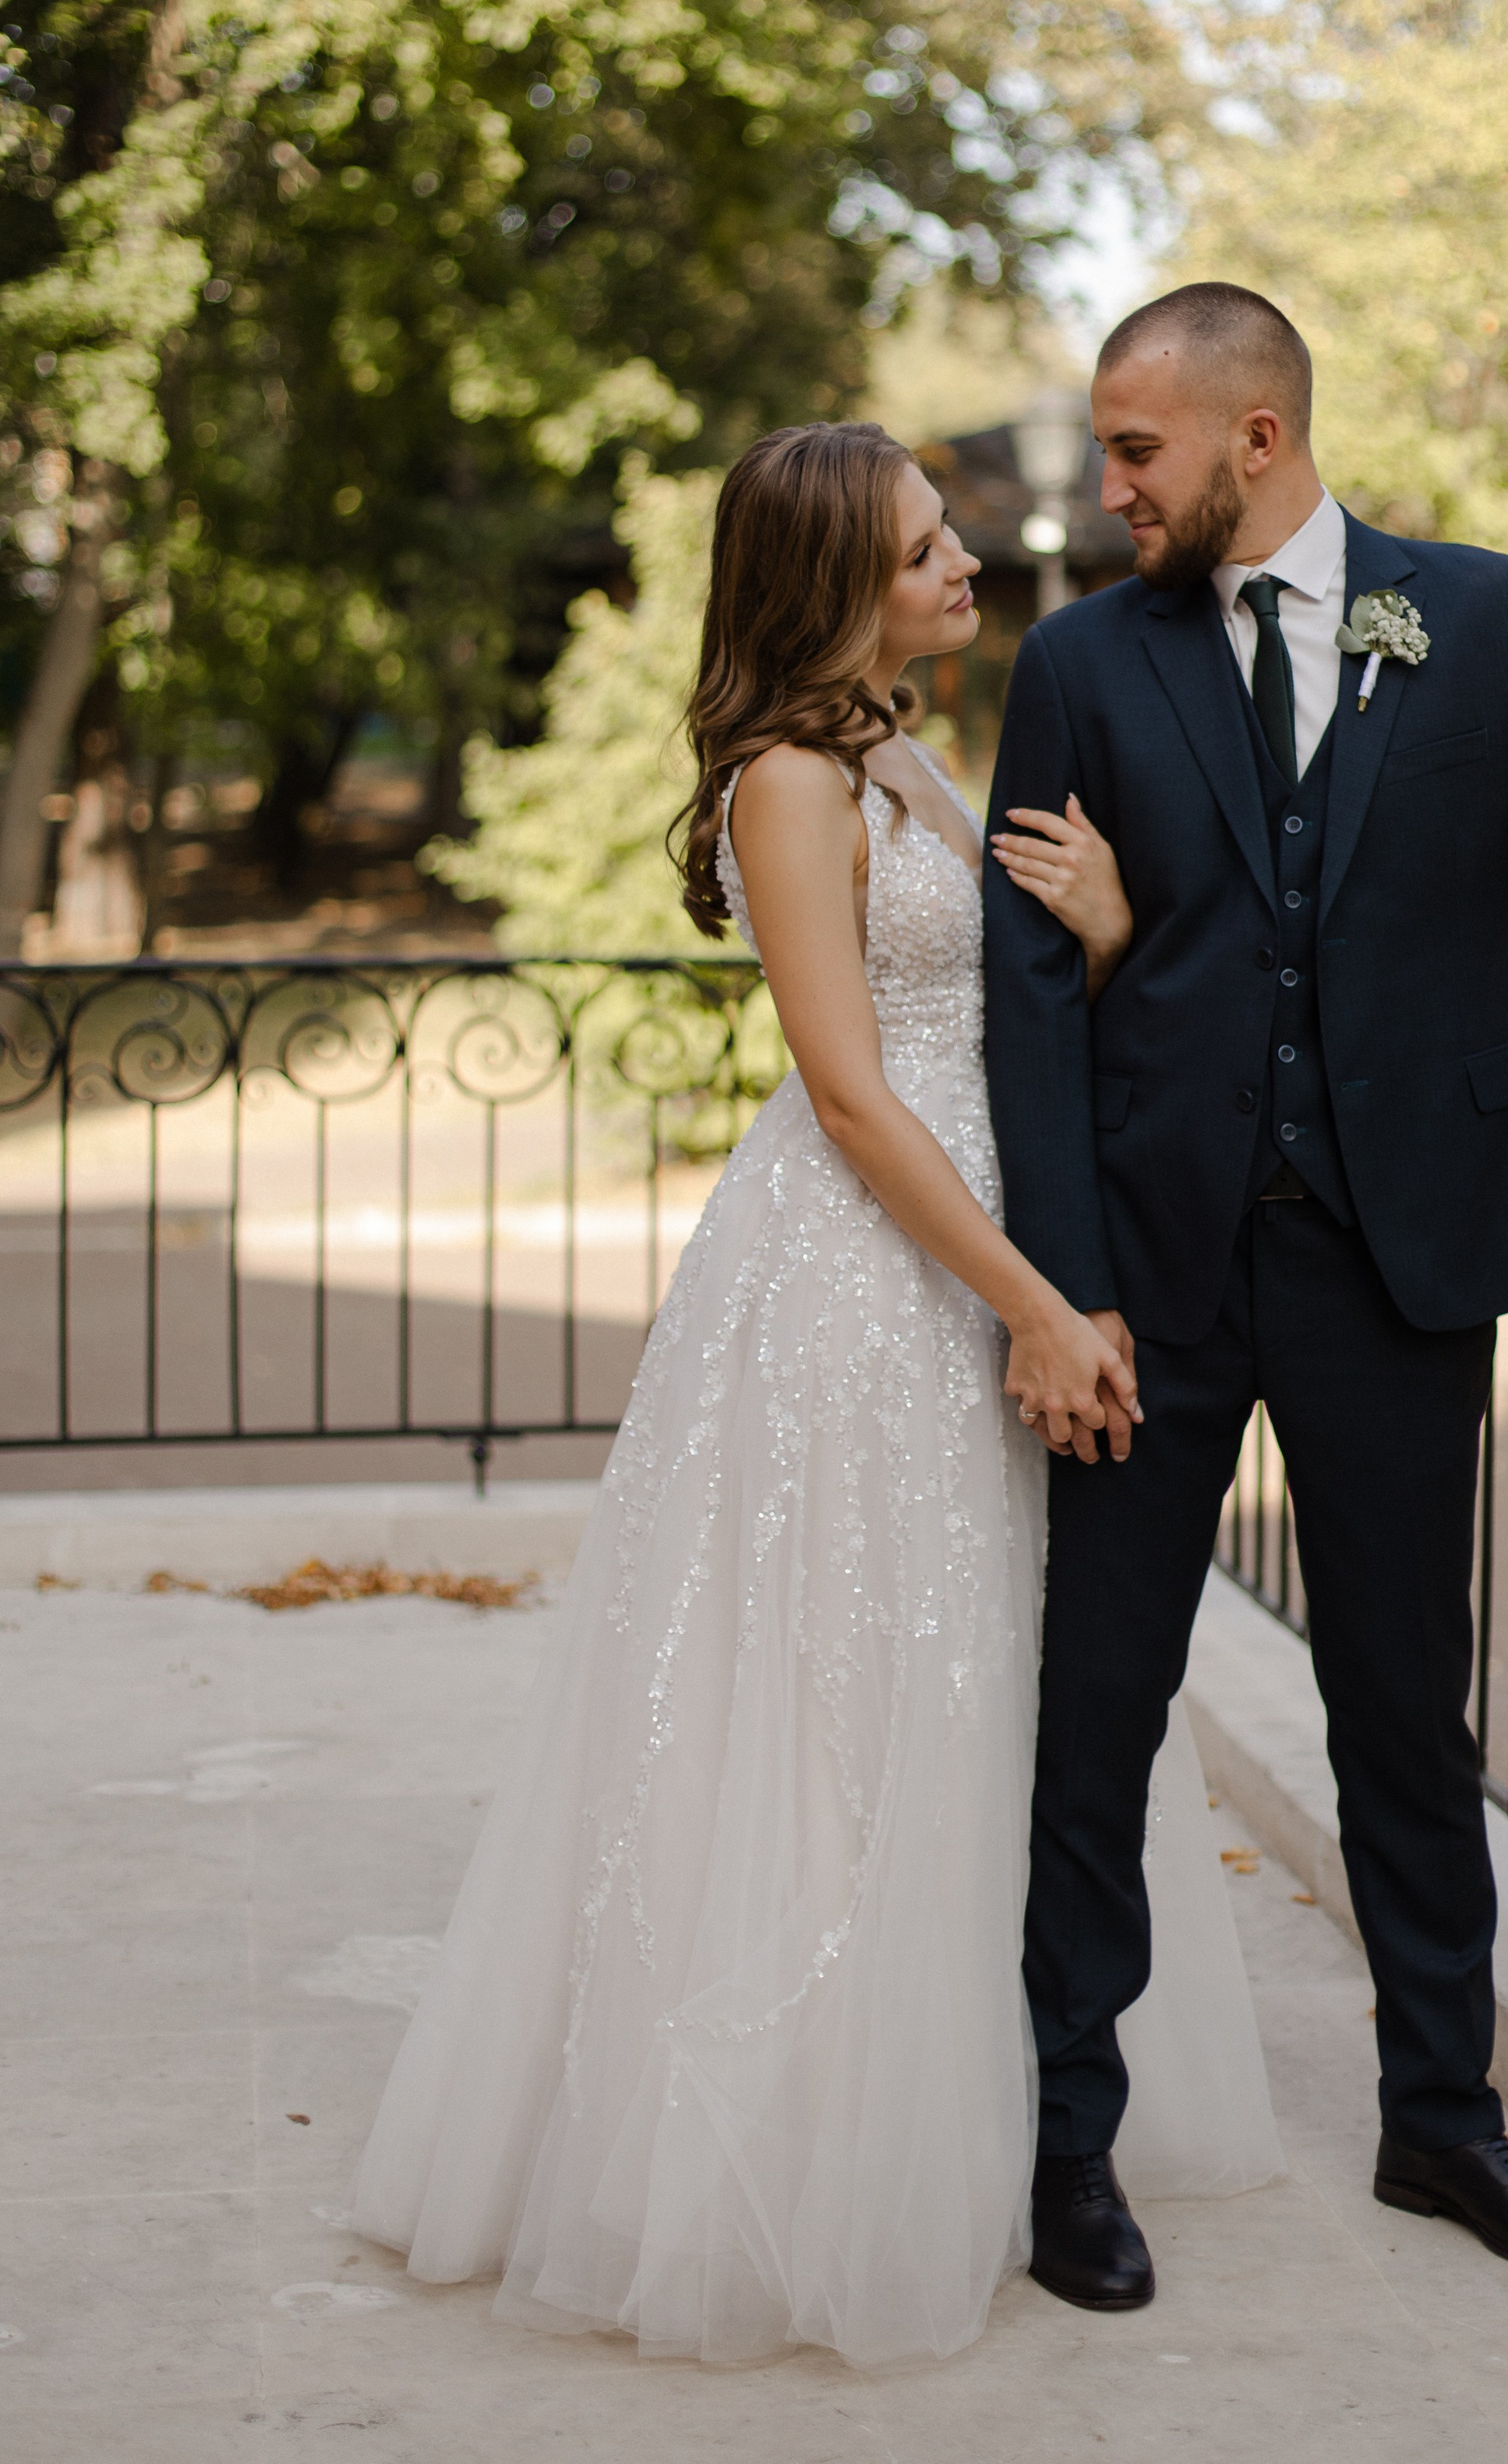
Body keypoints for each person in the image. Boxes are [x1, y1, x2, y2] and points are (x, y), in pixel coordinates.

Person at [349, 419, 1280, 2370]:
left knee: (981, 1685)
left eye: (952, 541)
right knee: (839, 1701)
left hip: (978, 1251)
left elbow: (986, 1006)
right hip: (873, 1282)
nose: (966, 567)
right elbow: (853, 1093)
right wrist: (1034, 1298)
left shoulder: (907, 753)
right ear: (838, 581)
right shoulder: (788, 781)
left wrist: (1104, 938)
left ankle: (999, 2113)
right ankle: (797, 2158)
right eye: (930, 548)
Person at [984, 282, 1508, 2310]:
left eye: (1136, 448)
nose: (1105, 481)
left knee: (1405, 1701)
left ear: (1255, 436)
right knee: (1100, 1706)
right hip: (1153, 1274)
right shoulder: (1078, 662)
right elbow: (1026, 1002)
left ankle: (1443, 2118)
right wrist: (1059, 1293)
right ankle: (1068, 2143)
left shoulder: (1480, 615)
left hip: (1404, 1261)